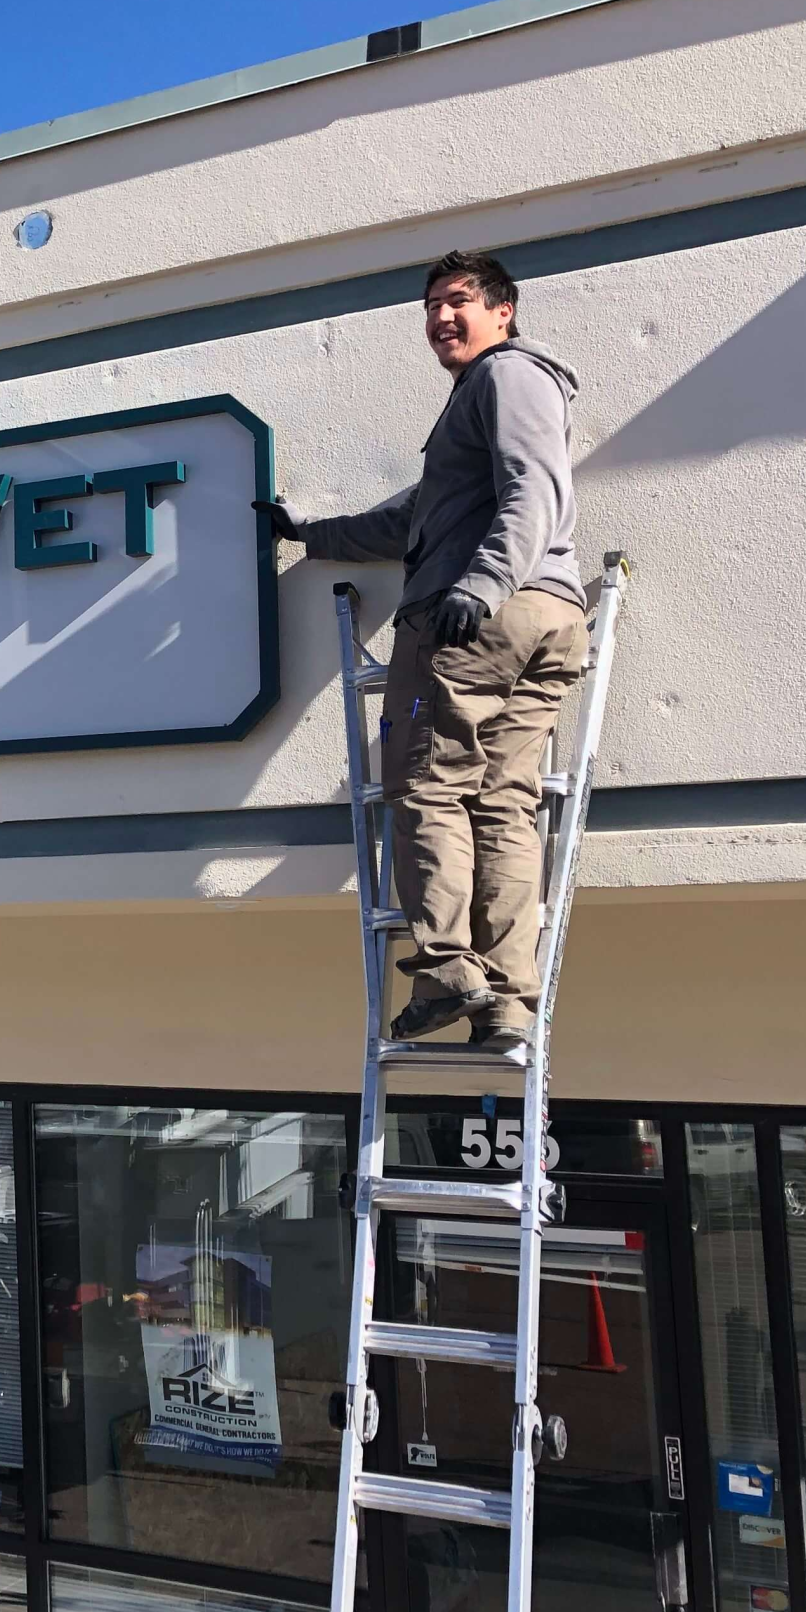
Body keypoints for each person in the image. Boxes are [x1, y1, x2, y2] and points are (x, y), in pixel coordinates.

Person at [271, 250, 587, 1050]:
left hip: (477, 622)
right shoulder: (477, 410)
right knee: (503, 804)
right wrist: (305, 534)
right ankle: (508, 1000)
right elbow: (403, 522)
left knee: (424, 786)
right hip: (544, 621)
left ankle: (448, 968)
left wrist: (478, 585)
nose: (440, 318)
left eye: (457, 301)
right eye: (431, 307)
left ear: (503, 310)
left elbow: (536, 487)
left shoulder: (506, 378)